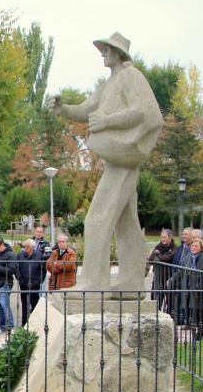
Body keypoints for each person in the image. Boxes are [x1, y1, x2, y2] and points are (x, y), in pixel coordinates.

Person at [49, 33, 163, 292]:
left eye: (107, 49)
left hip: (124, 163)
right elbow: (87, 108)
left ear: (119, 53)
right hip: (117, 163)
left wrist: (108, 121)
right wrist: (63, 109)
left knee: (96, 220)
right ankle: (132, 283)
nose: (103, 53)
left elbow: (145, 111)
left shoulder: (131, 76)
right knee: (127, 223)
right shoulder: (110, 82)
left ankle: (93, 282)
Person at [170, 237, 203, 336]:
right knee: (194, 310)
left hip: (202, 287)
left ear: (201, 247)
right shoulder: (188, 257)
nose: (194, 248)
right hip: (189, 286)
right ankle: (198, 331)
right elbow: (180, 270)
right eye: (192, 246)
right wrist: (172, 279)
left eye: (196, 246)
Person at [16, 239, 46, 326]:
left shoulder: (39, 255)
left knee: (34, 304)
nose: (25, 248)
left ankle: (35, 324)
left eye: (27, 246)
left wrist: (39, 280)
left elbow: (43, 269)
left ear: (32, 247)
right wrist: (20, 279)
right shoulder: (20, 255)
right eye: (24, 246)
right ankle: (24, 324)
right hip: (24, 283)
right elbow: (16, 268)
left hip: (34, 284)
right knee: (24, 304)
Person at [148, 229, 177, 312]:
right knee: (155, 299)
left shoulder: (174, 248)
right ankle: (155, 314)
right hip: (157, 277)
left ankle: (168, 315)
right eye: (161, 237)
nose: (162, 239)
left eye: (164, 237)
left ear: (170, 237)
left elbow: (168, 258)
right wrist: (158, 257)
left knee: (169, 302)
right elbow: (151, 259)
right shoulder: (158, 246)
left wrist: (157, 256)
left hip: (168, 278)